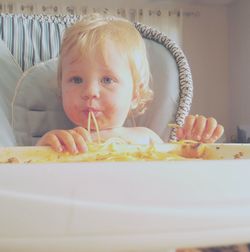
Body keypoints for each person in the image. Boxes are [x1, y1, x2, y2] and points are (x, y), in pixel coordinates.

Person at [36, 13, 224, 154]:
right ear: (61, 88)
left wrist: (191, 147)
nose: (90, 91)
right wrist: (43, 149)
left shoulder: (146, 138)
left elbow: (172, 177)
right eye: (76, 79)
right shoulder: (61, 143)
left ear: (135, 94)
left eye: (107, 80)